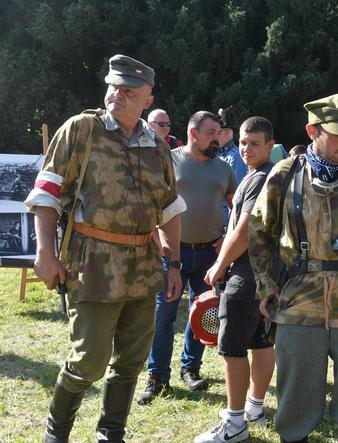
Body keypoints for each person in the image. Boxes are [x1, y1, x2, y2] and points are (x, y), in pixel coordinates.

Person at [25, 54, 184, 442]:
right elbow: (46, 194)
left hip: (144, 268)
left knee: (130, 361)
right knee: (88, 362)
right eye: (114, 86)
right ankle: (55, 433)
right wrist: (45, 255)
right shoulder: (82, 130)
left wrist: (174, 263)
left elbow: (170, 208)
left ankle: (111, 432)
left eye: (129, 91)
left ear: (147, 99)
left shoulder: (156, 145)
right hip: (92, 264)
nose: (118, 95)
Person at [249, 93, 338, 443]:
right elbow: (259, 233)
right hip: (299, 304)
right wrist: (266, 284)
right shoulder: (285, 176)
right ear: (313, 131)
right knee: (296, 402)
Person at [137, 111, 237, 405]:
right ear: (193, 133)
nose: (216, 138)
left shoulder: (224, 168)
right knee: (164, 315)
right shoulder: (169, 160)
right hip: (173, 252)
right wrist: (158, 241)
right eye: (211, 133)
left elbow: (237, 209)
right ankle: (157, 376)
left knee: (203, 312)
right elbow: (152, 204)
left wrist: (225, 239)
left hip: (209, 252)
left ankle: (191, 368)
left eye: (218, 133)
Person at [195, 117, 277, 443]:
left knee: (232, 348)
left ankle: (235, 424)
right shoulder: (260, 175)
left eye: (254, 143)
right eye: (243, 142)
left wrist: (218, 265)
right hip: (264, 275)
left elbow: (244, 233)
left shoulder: (261, 179)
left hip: (246, 273)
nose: (246, 148)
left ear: (270, 145)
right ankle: (254, 408)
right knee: (260, 342)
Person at [217, 106, 248, 184]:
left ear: (226, 133)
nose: (213, 136)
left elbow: (236, 189)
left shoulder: (236, 156)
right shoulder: (217, 155)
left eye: (217, 132)